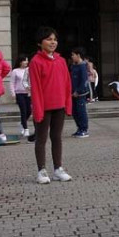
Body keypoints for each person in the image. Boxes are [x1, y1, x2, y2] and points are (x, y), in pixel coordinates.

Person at [30, 27, 73, 184]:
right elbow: (36, 88)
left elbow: (67, 84)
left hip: (59, 106)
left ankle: (58, 169)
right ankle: (41, 171)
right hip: (44, 107)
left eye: (54, 39)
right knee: (41, 139)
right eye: (48, 39)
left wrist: (68, 105)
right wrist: (38, 110)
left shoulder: (61, 61)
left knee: (57, 138)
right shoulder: (36, 62)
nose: (52, 42)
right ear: (40, 43)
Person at [70, 47, 90, 138]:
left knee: (81, 111)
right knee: (75, 112)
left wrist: (78, 91)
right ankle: (79, 128)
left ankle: (84, 129)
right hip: (73, 93)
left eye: (73, 55)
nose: (72, 57)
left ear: (78, 55)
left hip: (80, 94)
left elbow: (84, 81)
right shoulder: (74, 66)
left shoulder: (82, 66)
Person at [10, 55, 32, 138]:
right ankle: (26, 129)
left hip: (28, 93)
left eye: (27, 60)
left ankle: (22, 123)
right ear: (20, 62)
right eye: (25, 60)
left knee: (29, 111)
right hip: (19, 93)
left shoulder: (29, 70)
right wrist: (13, 93)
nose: (26, 62)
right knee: (23, 110)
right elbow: (12, 83)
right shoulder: (15, 71)